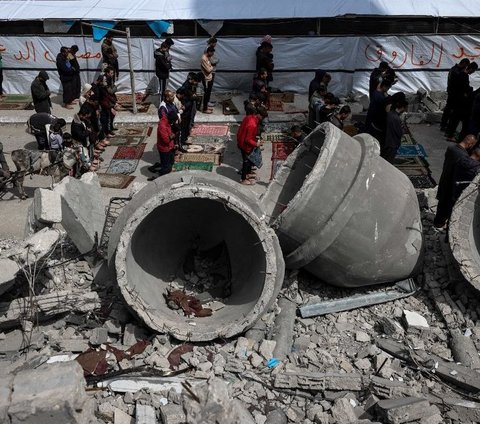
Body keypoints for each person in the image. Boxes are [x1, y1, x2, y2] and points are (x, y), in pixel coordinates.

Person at [434, 134, 477, 229]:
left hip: (445, 177)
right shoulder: (463, 156)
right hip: (452, 182)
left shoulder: (451, 148)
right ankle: (440, 223)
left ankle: (438, 222)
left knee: (442, 202)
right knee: (447, 204)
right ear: (470, 144)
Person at [445, 61, 478, 142]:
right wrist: (470, 90)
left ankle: (449, 133)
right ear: (471, 69)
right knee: (458, 119)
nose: (472, 73)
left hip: (457, 100)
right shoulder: (464, 76)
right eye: (473, 71)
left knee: (454, 118)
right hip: (461, 101)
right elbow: (465, 89)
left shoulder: (460, 74)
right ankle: (452, 135)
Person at [237, 106, 268, 185]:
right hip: (245, 145)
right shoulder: (253, 125)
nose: (263, 119)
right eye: (263, 117)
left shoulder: (248, 117)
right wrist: (257, 144)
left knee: (247, 160)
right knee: (246, 161)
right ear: (259, 115)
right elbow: (248, 139)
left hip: (241, 141)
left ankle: (247, 174)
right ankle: (243, 179)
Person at [441, 58, 470, 132]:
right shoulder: (456, 71)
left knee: (449, 110)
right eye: (466, 65)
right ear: (464, 64)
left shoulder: (454, 69)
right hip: (453, 94)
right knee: (450, 110)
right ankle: (444, 125)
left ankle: (445, 125)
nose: (466, 68)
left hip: (453, 93)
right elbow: (457, 84)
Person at [148, 112, 177, 181]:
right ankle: (157, 175)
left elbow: (169, 135)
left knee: (170, 162)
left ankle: (159, 166)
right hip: (164, 148)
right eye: (173, 121)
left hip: (169, 147)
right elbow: (166, 140)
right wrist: (173, 135)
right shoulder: (163, 126)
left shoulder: (167, 122)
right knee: (167, 168)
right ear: (171, 120)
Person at [365, 79, 392, 147]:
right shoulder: (380, 97)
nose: (387, 90)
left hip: (371, 116)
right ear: (384, 86)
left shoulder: (376, 92)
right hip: (375, 119)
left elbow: (379, 85)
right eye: (387, 88)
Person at [381, 99, 408, 163]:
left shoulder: (390, 114)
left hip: (387, 140)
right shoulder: (396, 118)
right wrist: (403, 129)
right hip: (392, 143)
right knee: (389, 160)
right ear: (402, 108)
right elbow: (400, 133)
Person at [201, 46, 216, 114]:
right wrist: (212, 66)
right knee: (206, 94)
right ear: (209, 52)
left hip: (209, 78)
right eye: (212, 53)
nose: (212, 54)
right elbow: (208, 70)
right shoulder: (204, 58)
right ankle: (204, 109)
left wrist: (210, 67)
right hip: (206, 79)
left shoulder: (207, 58)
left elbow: (209, 67)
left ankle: (206, 106)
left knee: (208, 93)